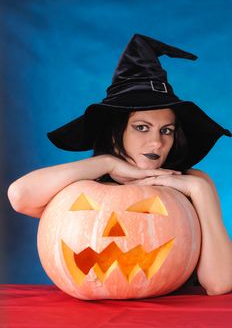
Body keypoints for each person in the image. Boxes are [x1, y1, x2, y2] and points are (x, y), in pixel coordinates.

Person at [8, 34, 232, 296]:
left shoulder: (192, 184)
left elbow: (220, 283)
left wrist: (201, 192)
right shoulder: (81, 189)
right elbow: (20, 195)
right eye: (141, 127)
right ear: (116, 132)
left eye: (167, 131)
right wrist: (107, 163)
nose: (156, 143)